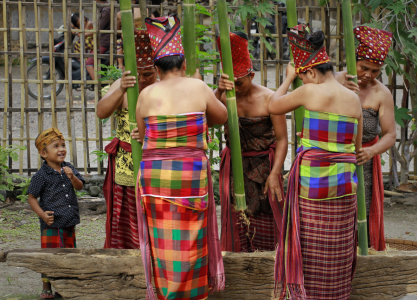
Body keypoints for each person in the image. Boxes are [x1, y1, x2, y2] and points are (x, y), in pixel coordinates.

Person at [135, 15, 226, 299]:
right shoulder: (198, 88)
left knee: (162, 241)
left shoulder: (147, 94)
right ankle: (192, 294)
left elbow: (143, 135)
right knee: (190, 240)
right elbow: (221, 118)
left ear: (156, 68)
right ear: (184, 65)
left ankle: (165, 294)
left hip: (156, 179)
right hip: (189, 176)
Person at [269, 25, 363, 300]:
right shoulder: (354, 99)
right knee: (337, 253)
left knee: (309, 251)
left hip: (313, 187)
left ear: (310, 72)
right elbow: (354, 149)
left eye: (302, 76)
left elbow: (273, 106)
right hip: (344, 188)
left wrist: (287, 80)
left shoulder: (309, 92)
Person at [215, 31, 288, 253]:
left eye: (240, 83)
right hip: (235, 167)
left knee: (267, 218)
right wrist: (219, 90)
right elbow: (206, 119)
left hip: (265, 166)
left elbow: (283, 139)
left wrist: (275, 174)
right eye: (231, 84)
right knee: (237, 218)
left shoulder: (268, 98)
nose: (235, 88)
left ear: (252, 76)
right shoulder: (221, 96)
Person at [335, 26, 396, 251]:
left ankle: (361, 257)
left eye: (375, 71)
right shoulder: (334, 81)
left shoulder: (382, 94)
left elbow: (390, 135)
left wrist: (371, 151)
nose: (369, 75)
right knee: (334, 214)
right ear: (354, 61)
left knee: (361, 215)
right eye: (364, 68)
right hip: (332, 160)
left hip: (364, 165)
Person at [97, 29, 157, 249]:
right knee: (127, 224)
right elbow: (101, 112)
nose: (142, 79)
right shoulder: (123, 85)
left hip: (154, 166)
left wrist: (149, 135)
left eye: (148, 74)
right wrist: (121, 87)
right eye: (138, 74)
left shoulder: (163, 90)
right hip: (125, 166)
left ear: (158, 70)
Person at [27, 128, 85, 299]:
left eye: (63, 145)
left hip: (69, 220)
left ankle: (64, 287)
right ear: (43, 153)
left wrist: (72, 178)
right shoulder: (41, 175)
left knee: (68, 255)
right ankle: (47, 289)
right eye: (56, 146)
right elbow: (31, 198)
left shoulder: (68, 168)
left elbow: (80, 186)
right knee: (50, 256)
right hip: (51, 224)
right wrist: (43, 215)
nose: (62, 149)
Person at [86, 0, 110, 83]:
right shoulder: (106, 8)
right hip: (104, 40)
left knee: (89, 63)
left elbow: (99, 28)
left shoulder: (106, 10)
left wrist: (84, 34)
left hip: (105, 42)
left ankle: (97, 86)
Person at [71, 12, 94, 90]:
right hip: (90, 39)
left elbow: (82, 34)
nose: (82, 23)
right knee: (78, 44)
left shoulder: (89, 23)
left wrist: (75, 28)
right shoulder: (83, 25)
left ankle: (83, 61)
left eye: (83, 20)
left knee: (79, 43)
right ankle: (82, 60)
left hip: (94, 41)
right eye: (79, 23)